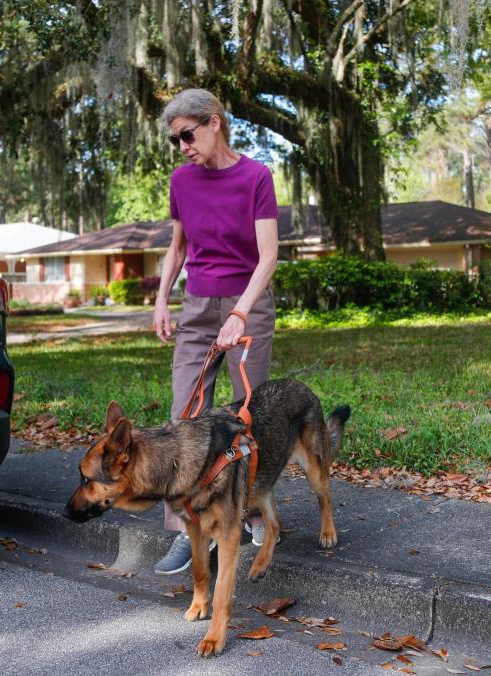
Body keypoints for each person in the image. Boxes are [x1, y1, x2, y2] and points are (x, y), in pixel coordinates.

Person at [152, 88, 279, 575]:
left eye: (188, 134)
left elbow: (268, 256)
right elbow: (177, 248)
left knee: (250, 415)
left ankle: (248, 512)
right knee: (184, 414)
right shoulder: (182, 181)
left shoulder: (256, 177)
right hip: (198, 305)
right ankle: (186, 531)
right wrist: (163, 301)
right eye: (175, 139)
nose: (182, 145)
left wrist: (241, 313)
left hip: (248, 302)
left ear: (214, 123)